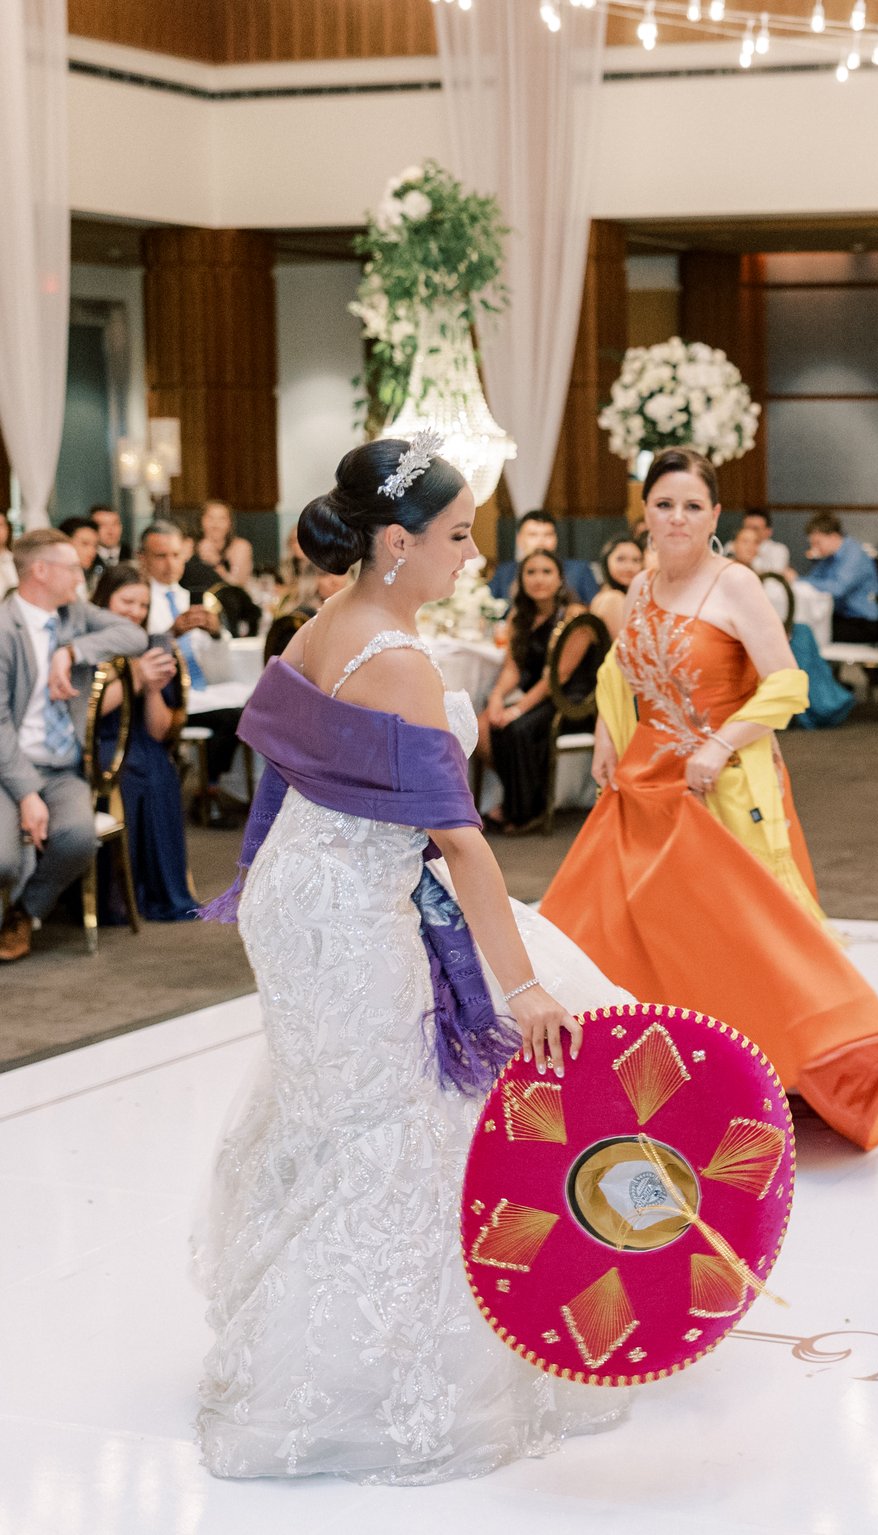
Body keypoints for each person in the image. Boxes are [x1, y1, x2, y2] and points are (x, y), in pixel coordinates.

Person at [195, 434, 632, 1482]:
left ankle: (291, 1342)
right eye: (453, 534)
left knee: (330, 1104)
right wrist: (517, 986)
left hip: (299, 895)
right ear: (394, 543)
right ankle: (361, 1380)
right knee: (391, 1118)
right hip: (345, 910)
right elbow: (460, 837)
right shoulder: (397, 658)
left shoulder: (316, 628)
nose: (467, 554)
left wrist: (259, 878)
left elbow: (283, 771)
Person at [539, 448, 878, 1150]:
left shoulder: (735, 583)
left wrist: (719, 743)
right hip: (644, 780)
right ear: (645, 515)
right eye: (664, 505)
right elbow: (620, 669)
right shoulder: (640, 588)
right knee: (633, 932)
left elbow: (787, 682)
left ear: (714, 516)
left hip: (717, 783)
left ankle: (774, 1067)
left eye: (692, 505)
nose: (677, 517)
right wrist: (604, 731)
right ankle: (660, 1076)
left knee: (738, 938)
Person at [0, 531, 149, 961]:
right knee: (5, 861)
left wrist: (71, 650)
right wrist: (27, 793)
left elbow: (133, 637)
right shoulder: (5, 627)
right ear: (41, 571)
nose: (82, 575)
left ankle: (25, 914)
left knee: (78, 839)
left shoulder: (75, 616)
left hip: (62, 767)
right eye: (72, 567)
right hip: (10, 767)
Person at [90, 563, 198, 922]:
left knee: (158, 768)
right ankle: (118, 896)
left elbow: (159, 730)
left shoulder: (149, 644)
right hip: (97, 743)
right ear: (104, 599)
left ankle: (160, 890)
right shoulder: (87, 644)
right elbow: (89, 714)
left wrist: (152, 690)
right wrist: (136, 678)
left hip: (141, 742)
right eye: (127, 602)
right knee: (130, 772)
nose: (135, 612)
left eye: (142, 605)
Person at [480, 550, 600, 833]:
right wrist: (496, 699)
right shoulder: (520, 616)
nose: (538, 579)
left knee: (518, 728)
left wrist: (517, 709)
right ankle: (523, 800)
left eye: (547, 572)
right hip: (540, 694)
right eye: (531, 572)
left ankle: (524, 812)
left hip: (572, 699)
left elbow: (560, 675)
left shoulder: (575, 616)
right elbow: (512, 668)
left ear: (560, 579)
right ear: (521, 580)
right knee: (488, 725)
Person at [138, 520, 239, 793]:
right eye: (160, 556)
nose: (169, 564)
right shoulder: (139, 599)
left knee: (248, 710)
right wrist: (171, 633)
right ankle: (211, 789)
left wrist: (216, 632)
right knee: (229, 718)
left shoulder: (193, 599)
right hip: (163, 694)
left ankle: (215, 784)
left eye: (175, 555)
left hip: (200, 688)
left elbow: (220, 664)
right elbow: (137, 647)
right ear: (143, 558)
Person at [803, 512, 878, 644]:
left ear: (833, 537)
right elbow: (814, 578)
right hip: (843, 618)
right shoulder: (830, 556)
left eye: (818, 543)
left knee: (806, 634)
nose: (814, 548)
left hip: (863, 623)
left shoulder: (853, 555)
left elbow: (838, 589)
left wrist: (797, 580)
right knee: (805, 628)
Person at [186, 499, 263, 637]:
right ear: (201, 521)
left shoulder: (240, 546)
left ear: (229, 523)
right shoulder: (189, 545)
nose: (216, 524)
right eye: (210, 518)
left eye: (222, 519)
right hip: (196, 606)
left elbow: (237, 584)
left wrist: (216, 563)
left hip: (232, 609)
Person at [487, 510, 599, 604]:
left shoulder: (579, 570)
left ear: (556, 539)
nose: (541, 541)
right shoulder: (504, 572)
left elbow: (595, 608)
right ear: (519, 539)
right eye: (533, 535)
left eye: (547, 535)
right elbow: (488, 608)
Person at [587, 534, 642, 637]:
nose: (629, 567)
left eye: (636, 560)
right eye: (621, 559)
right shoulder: (614, 598)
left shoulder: (608, 594)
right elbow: (623, 647)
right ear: (606, 561)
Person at [57, 518, 99, 594]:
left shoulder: (87, 574)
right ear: (65, 543)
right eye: (85, 544)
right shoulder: (54, 579)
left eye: (95, 546)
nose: (92, 552)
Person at [743, 508, 790, 573]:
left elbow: (775, 573)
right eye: (747, 528)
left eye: (755, 529)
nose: (750, 532)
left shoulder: (778, 549)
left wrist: (747, 558)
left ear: (768, 531)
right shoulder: (732, 546)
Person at [89, 504, 125, 571]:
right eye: (103, 525)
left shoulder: (132, 555)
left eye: (115, 524)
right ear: (91, 529)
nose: (110, 531)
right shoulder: (87, 559)